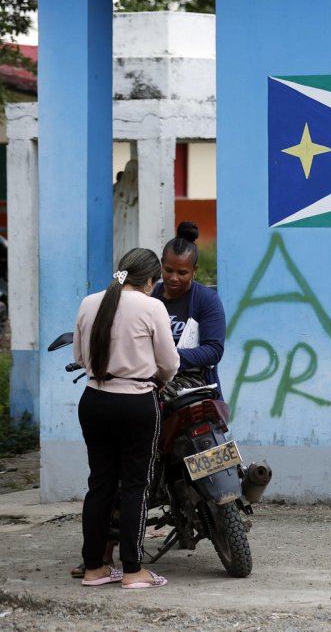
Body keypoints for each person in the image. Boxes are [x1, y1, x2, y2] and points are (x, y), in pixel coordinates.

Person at [74, 248, 178, 589]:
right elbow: (169, 362)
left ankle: (94, 568)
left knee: (100, 484)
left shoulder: (90, 302)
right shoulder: (152, 306)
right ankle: (132, 570)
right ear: (150, 281)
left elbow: (79, 354)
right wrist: (157, 381)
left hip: (94, 400)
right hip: (135, 404)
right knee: (135, 485)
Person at [152, 222, 226, 397]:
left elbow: (214, 350)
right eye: (168, 270)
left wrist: (169, 357)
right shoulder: (150, 296)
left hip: (191, 385)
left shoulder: (206, 300)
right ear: (161, 264)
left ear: (194, 270)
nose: (174, 278)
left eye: (182, 273)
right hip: (151, 376)